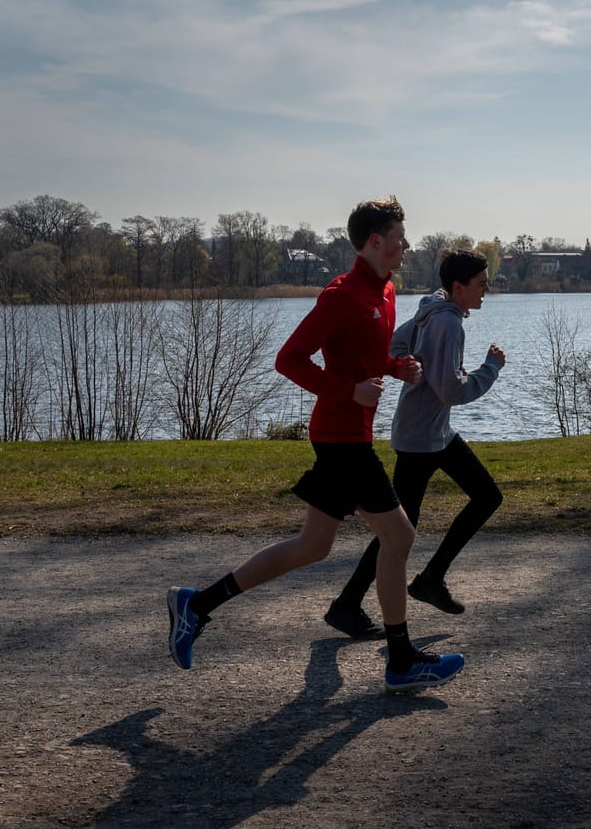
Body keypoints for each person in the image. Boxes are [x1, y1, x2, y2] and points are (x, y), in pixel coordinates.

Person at [166, 197, 465, 694]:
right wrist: (348, 390)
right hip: (341, 437)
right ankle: (401, 660)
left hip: (348, 434)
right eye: (399, 235)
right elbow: (290, 360)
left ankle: (196, 605)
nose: (406, 244)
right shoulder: (341, 295)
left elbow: (369, 356)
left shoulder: (385, 292)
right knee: (400, 538)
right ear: (375, 241)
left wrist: (397, 367)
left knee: (313, 546)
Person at [324, 247, 507, 634]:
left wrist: (417, 368)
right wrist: (489, 369)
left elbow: (395, 347)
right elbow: (450, 393)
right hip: (421, 437)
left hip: (431, 432)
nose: (486, 290)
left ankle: (426, 580)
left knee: (484, 496)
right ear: (458, 287)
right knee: (399, 528)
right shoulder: (448, 323)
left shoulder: (434, 309)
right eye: (481, 284)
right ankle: (352, 603)